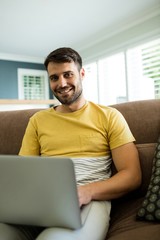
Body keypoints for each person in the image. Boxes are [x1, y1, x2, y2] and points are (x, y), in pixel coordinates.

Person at [0, 47, 142, 240]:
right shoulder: (37, 120)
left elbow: (132, 175)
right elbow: (24, 173)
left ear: (81, 74)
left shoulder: (109, 116)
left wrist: (86, 192)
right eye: (54, 78)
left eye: (68, 75)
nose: (62, 83)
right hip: (42, 201)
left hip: (90, 200)